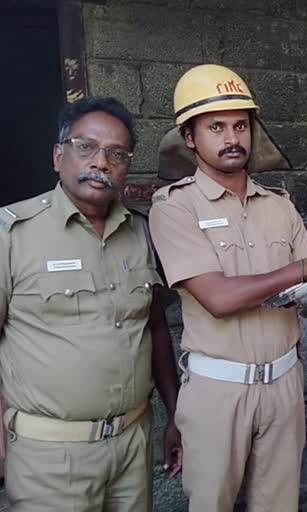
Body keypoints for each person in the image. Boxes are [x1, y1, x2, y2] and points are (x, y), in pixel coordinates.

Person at [148, 64, 307, 512]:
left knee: (278, 505)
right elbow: (218, 298)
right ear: (190, 138)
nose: (233, 137)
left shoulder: (279, 206)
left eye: (240, 125)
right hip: (217, 391)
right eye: (216, 127)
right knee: (212, 504)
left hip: (284, 382)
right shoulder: (173, 209)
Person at [0, 96, 182, 511]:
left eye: (116, 153)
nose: (101, 162)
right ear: (58, 155)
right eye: (86, 147)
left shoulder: (141, 232)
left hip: (133, 445)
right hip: (49, 455)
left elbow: (154, 328)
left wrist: (175, 415)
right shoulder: (12, 234)